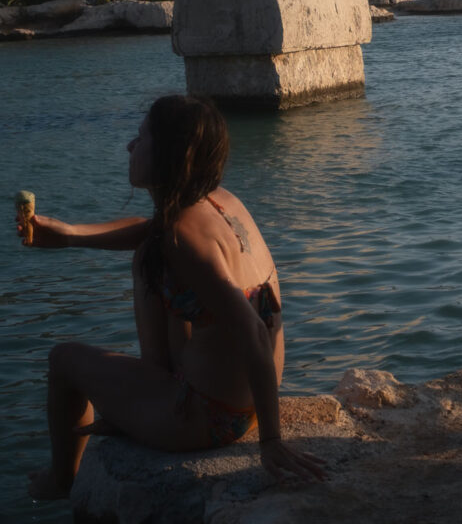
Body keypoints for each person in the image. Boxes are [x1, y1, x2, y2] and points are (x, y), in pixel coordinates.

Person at [23, 94, 326, 499]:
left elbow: (253, 333)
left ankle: (61, 480)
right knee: (149, 254)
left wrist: (270, 442)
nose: (130, 146)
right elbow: (150, 231)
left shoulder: (180, 238)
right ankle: (141, 407)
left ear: (169, 154)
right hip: (240, 406)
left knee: (61, 361)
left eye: (141, 137)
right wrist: (70, 234)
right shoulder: (220, 202)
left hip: (209, 419)